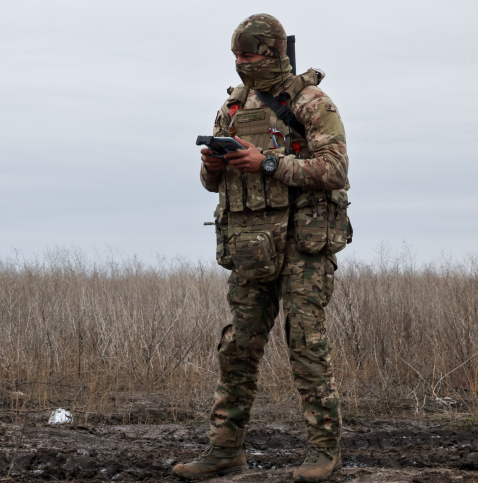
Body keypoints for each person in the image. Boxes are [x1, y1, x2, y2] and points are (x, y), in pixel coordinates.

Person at [172, 13, 352, 482]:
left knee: (305, 344)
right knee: (237, 349)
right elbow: (212, 186)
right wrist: (214, 164)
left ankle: (324, 451)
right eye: (235, 55)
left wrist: (268, 163)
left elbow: (334, 169)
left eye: (248, 54)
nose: (240, 63)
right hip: (252, 246)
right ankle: (225, 450)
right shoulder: (231, 109)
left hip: (302, 245)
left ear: (271, 52)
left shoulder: (311, 102)